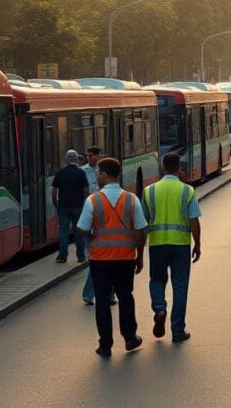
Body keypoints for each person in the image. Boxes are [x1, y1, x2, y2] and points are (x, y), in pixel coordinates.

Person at [75, 157, 147, 357]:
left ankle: (105, 345)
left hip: (100, 260)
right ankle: (130, 337)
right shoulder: (132, 199)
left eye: (98, 173)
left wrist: (92, 237)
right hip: (125, 258)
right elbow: (141, 230)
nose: (97, 176)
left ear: (104, 175)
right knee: (126, 297)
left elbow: (81, 229)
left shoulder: (93, 200)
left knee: (103, 301)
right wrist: (139, 256)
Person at [143, 152, 202, 343]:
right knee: (180, 286)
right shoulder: (187, 191)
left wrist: (138, 251)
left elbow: (142, 222)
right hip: (181, 246)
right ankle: (177, 331)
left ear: (162, 167)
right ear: (179, 168)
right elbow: (194, 221)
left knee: (157, 280)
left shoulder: (149, 191)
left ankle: (159, 308)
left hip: (157, 245)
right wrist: (197, 244)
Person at [80, 146, 113, 304]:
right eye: (88, 155)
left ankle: (108, 295)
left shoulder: (111, 193)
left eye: (92, 155)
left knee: (105, 264)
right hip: (95, 231)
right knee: (98, 263)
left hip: (107, 232)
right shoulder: (83, 171)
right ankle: (92, 293)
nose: (89, 157)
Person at [52, 150, 89, 263]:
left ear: (66, 159)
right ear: (76, 159)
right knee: (78, 231)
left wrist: (56, 203)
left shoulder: (60, 172)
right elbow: (86, 190)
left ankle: (62, 256)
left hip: (63, 207)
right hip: (77, 206)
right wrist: (82, 200)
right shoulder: (81, 173)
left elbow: (54, 190)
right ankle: (81, 256)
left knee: (63, 231)